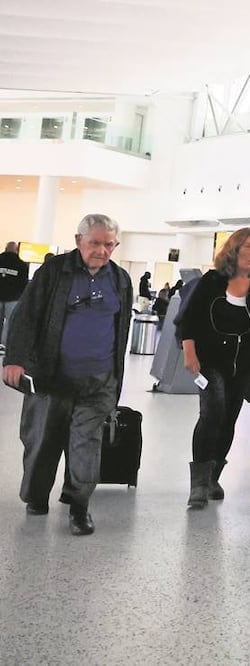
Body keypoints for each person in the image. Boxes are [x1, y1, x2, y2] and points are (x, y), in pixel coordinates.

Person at [2, 214, 133, 535]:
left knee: (86, 444)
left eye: (108, 244)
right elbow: (25, 316)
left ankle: (79, 506)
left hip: (99, 380)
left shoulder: (120, 279)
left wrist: (116, 378)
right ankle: (36, 497)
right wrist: (15, 359)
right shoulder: (54, 272)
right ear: (78, 241)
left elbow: (121, 329)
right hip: (52, 377)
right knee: (42, 440)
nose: (102, 250)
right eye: (95, 243)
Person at [178, 228, 250, 509]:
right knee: (212, 411)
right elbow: (187, 319)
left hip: (245, 363)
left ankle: (213, 476)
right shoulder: (212, 281)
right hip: (211, 360)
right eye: (248, 247)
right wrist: (189, 352)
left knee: (228, 417)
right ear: (233, 249)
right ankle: (198, 485)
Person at [0, 240, 30, 351]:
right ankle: (4, 345)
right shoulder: (21, 264)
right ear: (17, 250)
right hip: (13, 298)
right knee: (10, 323)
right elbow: (24, 283)